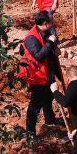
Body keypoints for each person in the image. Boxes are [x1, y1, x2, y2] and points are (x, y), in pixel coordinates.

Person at [18, 11, 63, 144]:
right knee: (35, 104)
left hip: (47, 71)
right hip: (36, 75)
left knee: (49, 96)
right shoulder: (31, 38)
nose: (53, 23)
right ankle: (30, 133)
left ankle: (50, 119)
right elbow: (38, 55)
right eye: (51, 22)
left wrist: (55, 47)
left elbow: (51, 52)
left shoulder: (48, 32)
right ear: (45, 24)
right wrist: (50, 43)